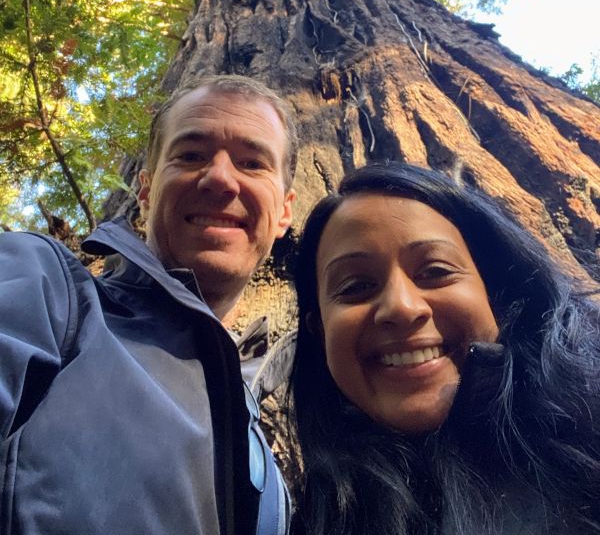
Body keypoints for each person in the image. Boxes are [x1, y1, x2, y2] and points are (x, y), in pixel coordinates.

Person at [0, 74, 297, 535]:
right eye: (191, 155)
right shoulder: (43, 283)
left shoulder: (271, 475)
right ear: (145, 191)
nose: (220, 178)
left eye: (253, 163)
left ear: (284, 212)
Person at [289, 162, 600, 535]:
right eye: (355, 287)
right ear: (319, 332)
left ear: (496, 295)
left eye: (435, 271)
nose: (402, 307)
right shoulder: (318, 517)